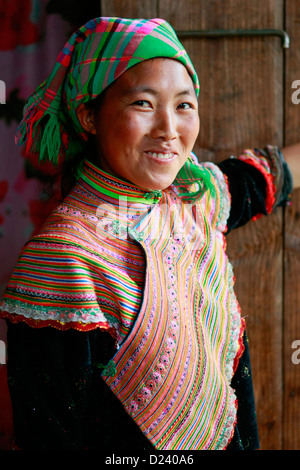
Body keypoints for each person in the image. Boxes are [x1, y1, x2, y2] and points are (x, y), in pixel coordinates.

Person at [0, 16, 299, 451]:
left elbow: (264, 176)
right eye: (143, 103)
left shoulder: (195, 202)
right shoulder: (61, 261)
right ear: (89, 115)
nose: (169, 130)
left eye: (184, 105)